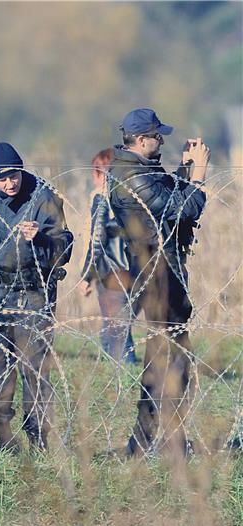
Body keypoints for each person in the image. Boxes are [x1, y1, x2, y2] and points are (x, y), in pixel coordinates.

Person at [107, 108, 210, 458]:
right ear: (140, 140)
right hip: (157, 276)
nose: (161, 140)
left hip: (161, 272)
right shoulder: (132, 178)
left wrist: (182, 170)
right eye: (156, 136)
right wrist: (197, 177)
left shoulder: (140, 170)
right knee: (171, 361)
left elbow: (168, 204)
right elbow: (184, 209)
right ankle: (166, 442)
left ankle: (148, 442)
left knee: (164, 360)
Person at [0, 142, 73, 452]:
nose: (9, 183)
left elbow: (65, 247)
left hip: (34, 292)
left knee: (35, 367)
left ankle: (38, 435)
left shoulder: (43, 197)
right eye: (1, 178)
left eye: (14, 175)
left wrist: (40, 237)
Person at [78, 148, 138, 365]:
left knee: (114, 329)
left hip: (111, 270)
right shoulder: (132, 196)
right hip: (131, 267)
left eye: (97, 172)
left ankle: (124, 373)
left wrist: (86, 276)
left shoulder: (101, 198)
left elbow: (96, 239)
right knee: (119, 325)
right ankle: (119, 370)